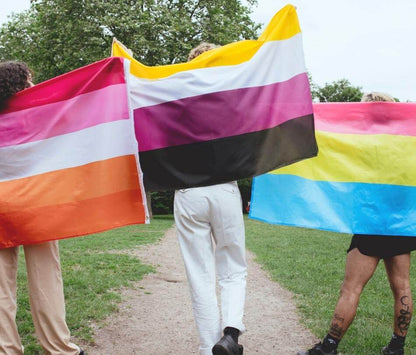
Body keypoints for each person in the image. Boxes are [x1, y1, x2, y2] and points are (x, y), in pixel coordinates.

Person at [298, 92, 416, 355]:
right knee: (402, 286)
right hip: (400, 223)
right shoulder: (407, 143)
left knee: (351, 288)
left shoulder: (361, 143)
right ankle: (397, 347)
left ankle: (329, 347)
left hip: (371, 221)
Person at [0, 61, 84, 355]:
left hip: (1, 207)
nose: (35, 87)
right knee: (46, 278)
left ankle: (5, 349)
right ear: (19, 86)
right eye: (30, 81)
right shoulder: (39, 117)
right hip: (37, 207)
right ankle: (58, 348)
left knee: (0, 288)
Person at [174, 43, 247, 355]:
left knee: (199, 274)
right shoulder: (233, 101)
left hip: (189, 192)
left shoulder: (174, 101)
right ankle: (230, 334)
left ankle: (208, 347)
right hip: (225, 190)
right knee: (233, 268)